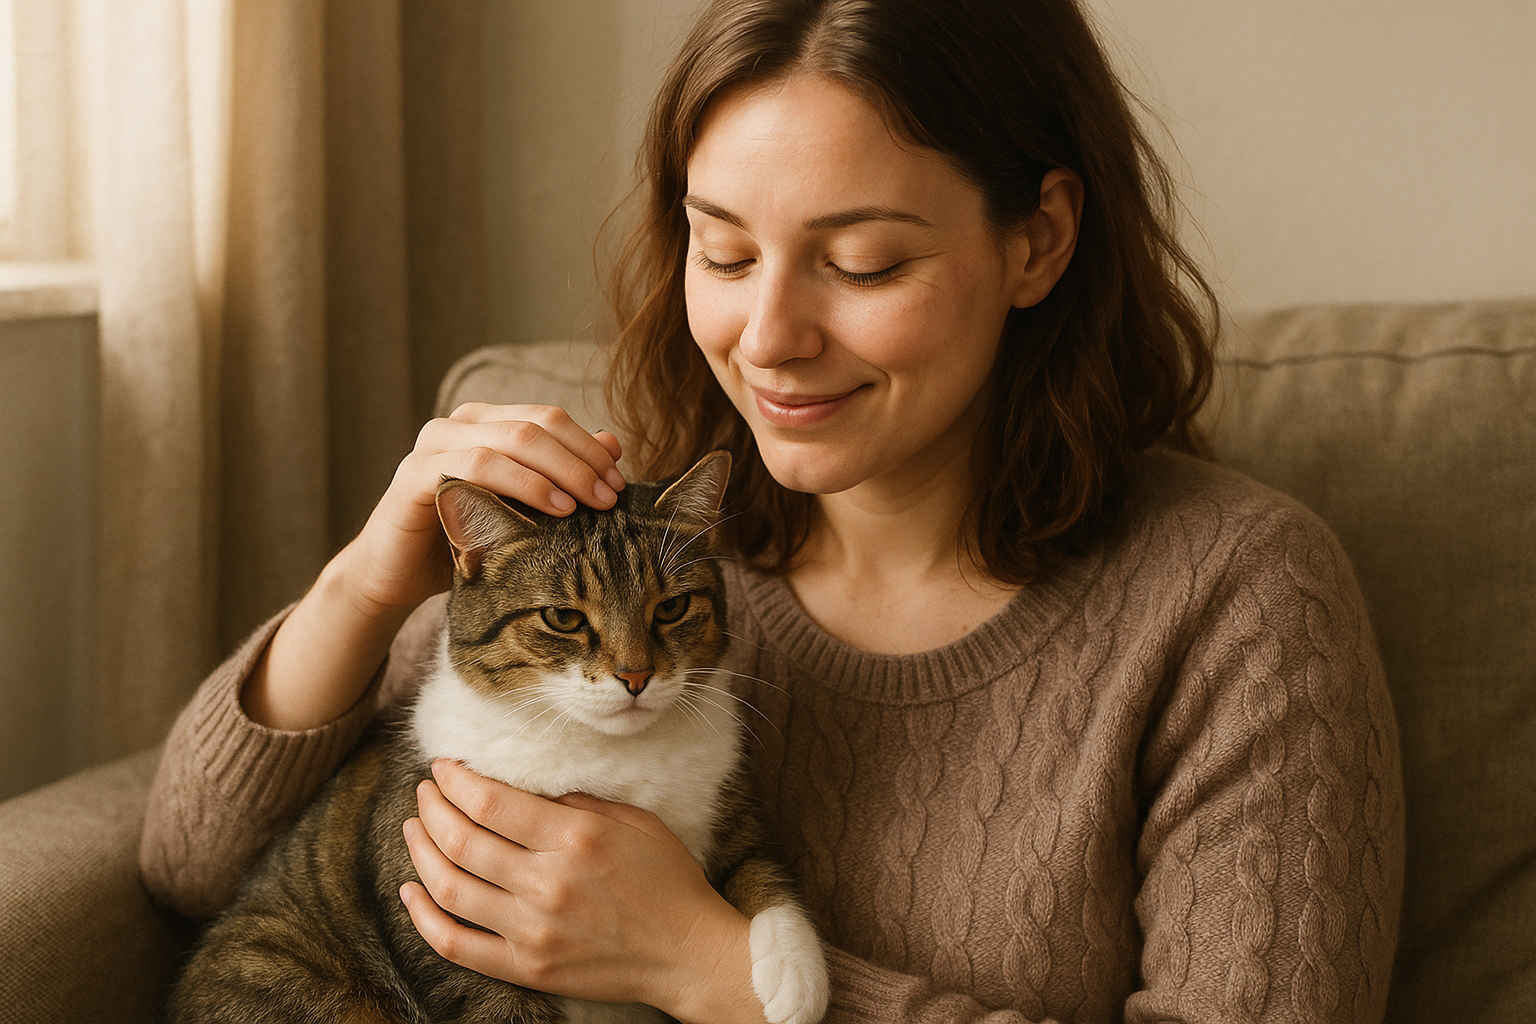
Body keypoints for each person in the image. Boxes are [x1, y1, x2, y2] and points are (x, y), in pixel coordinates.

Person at [141, 1, 1405, 1021]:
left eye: (864, 262)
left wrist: (712, 968)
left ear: (1040, 239)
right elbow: (193, 862)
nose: (770, 340)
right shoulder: (638, 544)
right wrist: (368, 581)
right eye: (725, 252)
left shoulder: (1238, 594)